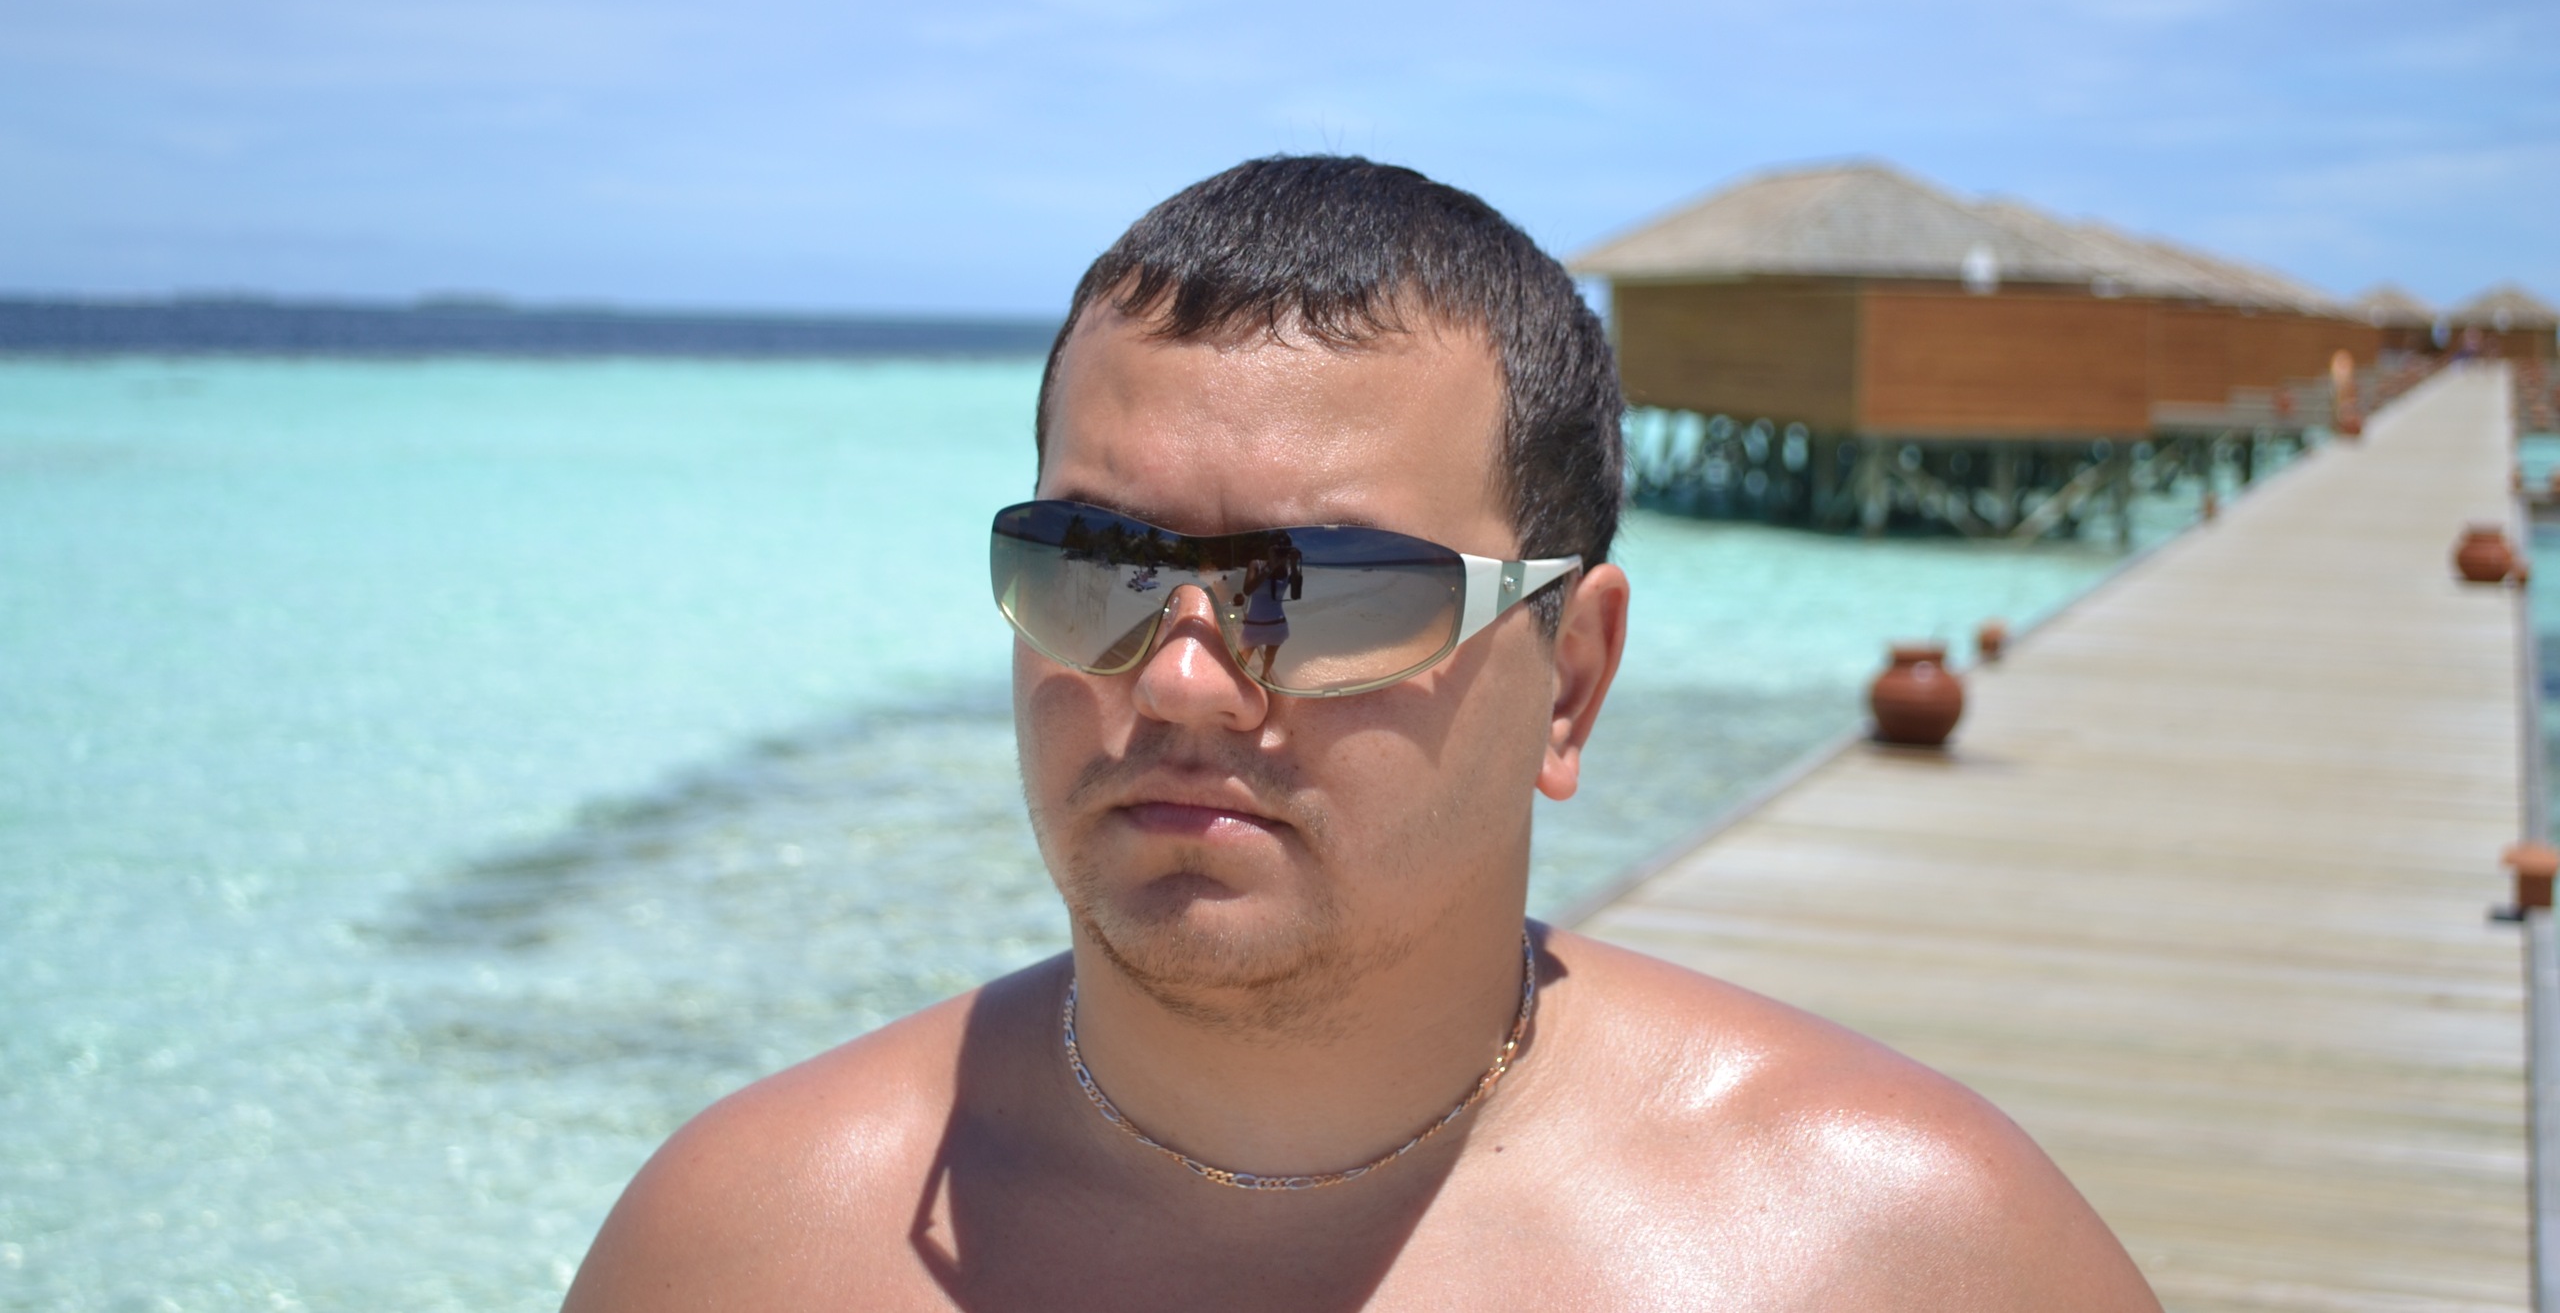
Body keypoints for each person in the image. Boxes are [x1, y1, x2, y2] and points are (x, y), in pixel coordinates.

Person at [564, 156, 2159, 1311]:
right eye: (1097, 566)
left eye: (1325, 590)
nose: (1183, 684)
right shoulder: (748, 1248)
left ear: (1571, 678)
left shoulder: (1887, 1256)